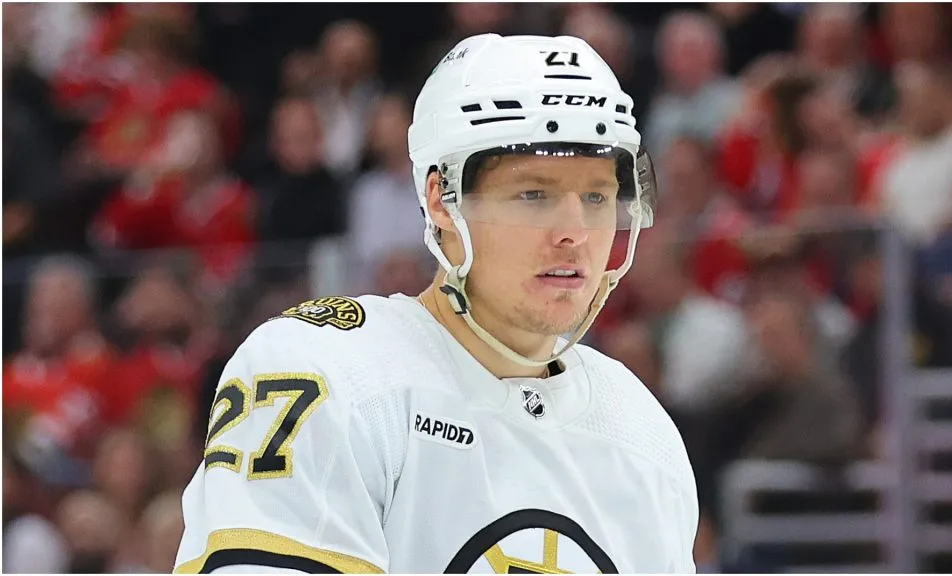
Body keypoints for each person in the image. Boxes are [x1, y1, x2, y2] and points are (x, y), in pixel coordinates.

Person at [174, 33, 698, 573]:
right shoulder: (323, 373)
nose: (574, 232)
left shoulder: (641, 431)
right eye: (534, 194)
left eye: (596, 196)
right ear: (440, 201)